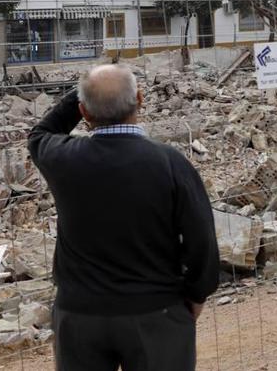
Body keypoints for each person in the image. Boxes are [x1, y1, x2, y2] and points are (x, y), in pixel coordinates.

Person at [29, 64, 219, 370]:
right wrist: (197, 293)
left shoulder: (62, 158)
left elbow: (41, 132)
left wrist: (82, 94)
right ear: (140, 99)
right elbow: (202, 240)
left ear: (84, 112)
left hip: (80, 315)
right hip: (156, 311)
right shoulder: (170, 164)